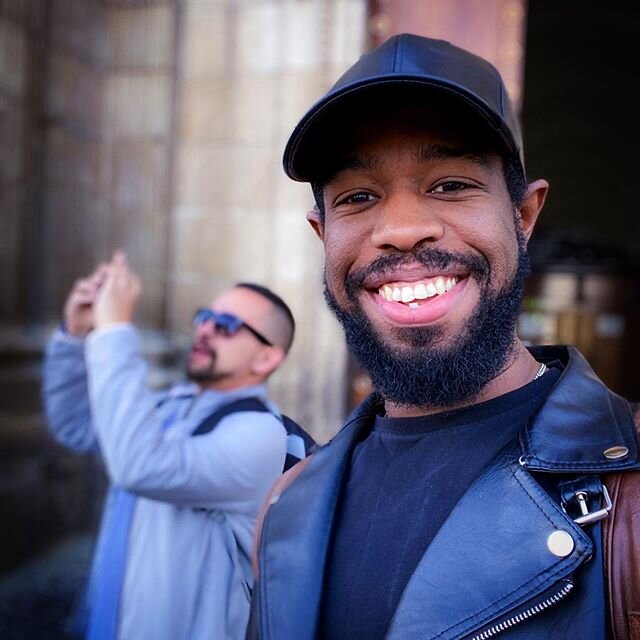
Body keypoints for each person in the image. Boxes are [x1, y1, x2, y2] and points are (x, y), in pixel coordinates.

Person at [248, 34, 640, 639]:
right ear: (322, 235)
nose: (402, 229)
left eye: (450, 184)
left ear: (523, 216)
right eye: (358, 197)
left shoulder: (630, 492)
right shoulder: (286, 507)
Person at [43, 250, 296, 640]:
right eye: (205, 317)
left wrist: (113, 332)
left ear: (266, 358)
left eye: (226, 325)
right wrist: (75, 336)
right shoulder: (170, 403)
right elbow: (76, 425)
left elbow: (139, 465)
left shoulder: (260, 433)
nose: (206, 330)